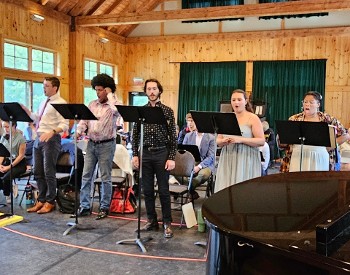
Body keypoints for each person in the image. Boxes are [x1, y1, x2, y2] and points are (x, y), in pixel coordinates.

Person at [132, 78, 177, 238]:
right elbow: (135, 135)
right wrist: (135, 154)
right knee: (147, 190)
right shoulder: (140, 111)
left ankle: (167, 223)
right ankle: (152, 220)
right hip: (145, 154)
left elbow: (173, 136)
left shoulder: (167, 111)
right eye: (149, 89)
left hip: (161, 153)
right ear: (145, 91)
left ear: (159, 91)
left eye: (154, 89)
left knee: (164, 190)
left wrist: (171, 157)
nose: (151, 91)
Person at [22, 76, 69, 214]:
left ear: (55, 87)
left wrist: (52, 132)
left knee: (49, 171)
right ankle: (41, 199)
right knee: (37, 171)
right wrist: (27, 112)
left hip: (51, 138)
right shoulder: (44, 102)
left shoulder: (61, 103)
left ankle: (50, 201)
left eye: (46, 86)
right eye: (43, 86)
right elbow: (38, 118)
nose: (44, 88)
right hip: (39, 137)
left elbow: (65, 124)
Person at [77, 73, 120, 220]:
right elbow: (84, 121)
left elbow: (117, 111)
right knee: (86, 175)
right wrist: (79, 131)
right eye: (96, 90)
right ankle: (85, 206)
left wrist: (110, 96)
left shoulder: (113, 106)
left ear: (107, 90)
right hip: (91, 144)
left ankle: (104, 207)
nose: (97, 92)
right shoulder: (92, 104)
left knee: (105, 177)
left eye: (101, 89)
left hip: (107, 145)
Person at [280, 91, 349, 172]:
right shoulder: (294, 119)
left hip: (320, 156)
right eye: (305, 102)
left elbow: (346, 135)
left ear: (318, 105)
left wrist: (331, 145)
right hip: (298, 156)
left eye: (311, 102)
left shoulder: (327, 119)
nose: (307, 104)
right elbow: (285, 138)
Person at [214, 89, 265, 193]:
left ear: (246, 101)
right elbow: (217, 140)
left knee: (243, 191)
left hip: (246, 158)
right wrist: (224, 141)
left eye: (239, 99)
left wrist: (240, 140)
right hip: (228, 157)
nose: (236, 102)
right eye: (233, 100)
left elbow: (261, 141)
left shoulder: (253, 118)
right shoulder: (226, 118)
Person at [181, 113, 215, 199]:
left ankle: (189, 189)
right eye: (188, 121)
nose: (190, 124)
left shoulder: (211, 138)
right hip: (190, 163)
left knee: (201, 176)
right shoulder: (188, 136)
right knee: (176, 172)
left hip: (205, 165)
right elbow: (183, 152)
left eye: (192, 121)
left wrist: (199, 167)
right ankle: (191, 191)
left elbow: (211, 157)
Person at [0, 121, 27, 200]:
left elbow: (21, 156)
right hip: (7, 161)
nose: (5, 129)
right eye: (4, 127)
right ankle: (8, 188)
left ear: (14, 126)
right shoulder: (3, 137)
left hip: (19, 163)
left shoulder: (21, 138)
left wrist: (9, 167)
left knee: (6, 177)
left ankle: (7, 194)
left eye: (7, 127)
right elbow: (1, 154)